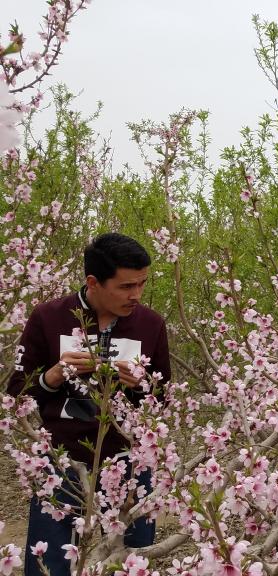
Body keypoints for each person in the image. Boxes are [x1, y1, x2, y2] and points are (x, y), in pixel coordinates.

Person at [8, 232, 170, 576]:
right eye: (126, 286)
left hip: (129, 463)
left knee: (128, 562)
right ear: (93, 282)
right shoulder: (48, 318)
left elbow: (163, 398)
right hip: (61, 461)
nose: (136, 295)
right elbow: (16, 394)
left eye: (142, 283)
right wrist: (52, 376)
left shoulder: (151, 324)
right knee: (50, 564)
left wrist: (142, 385)